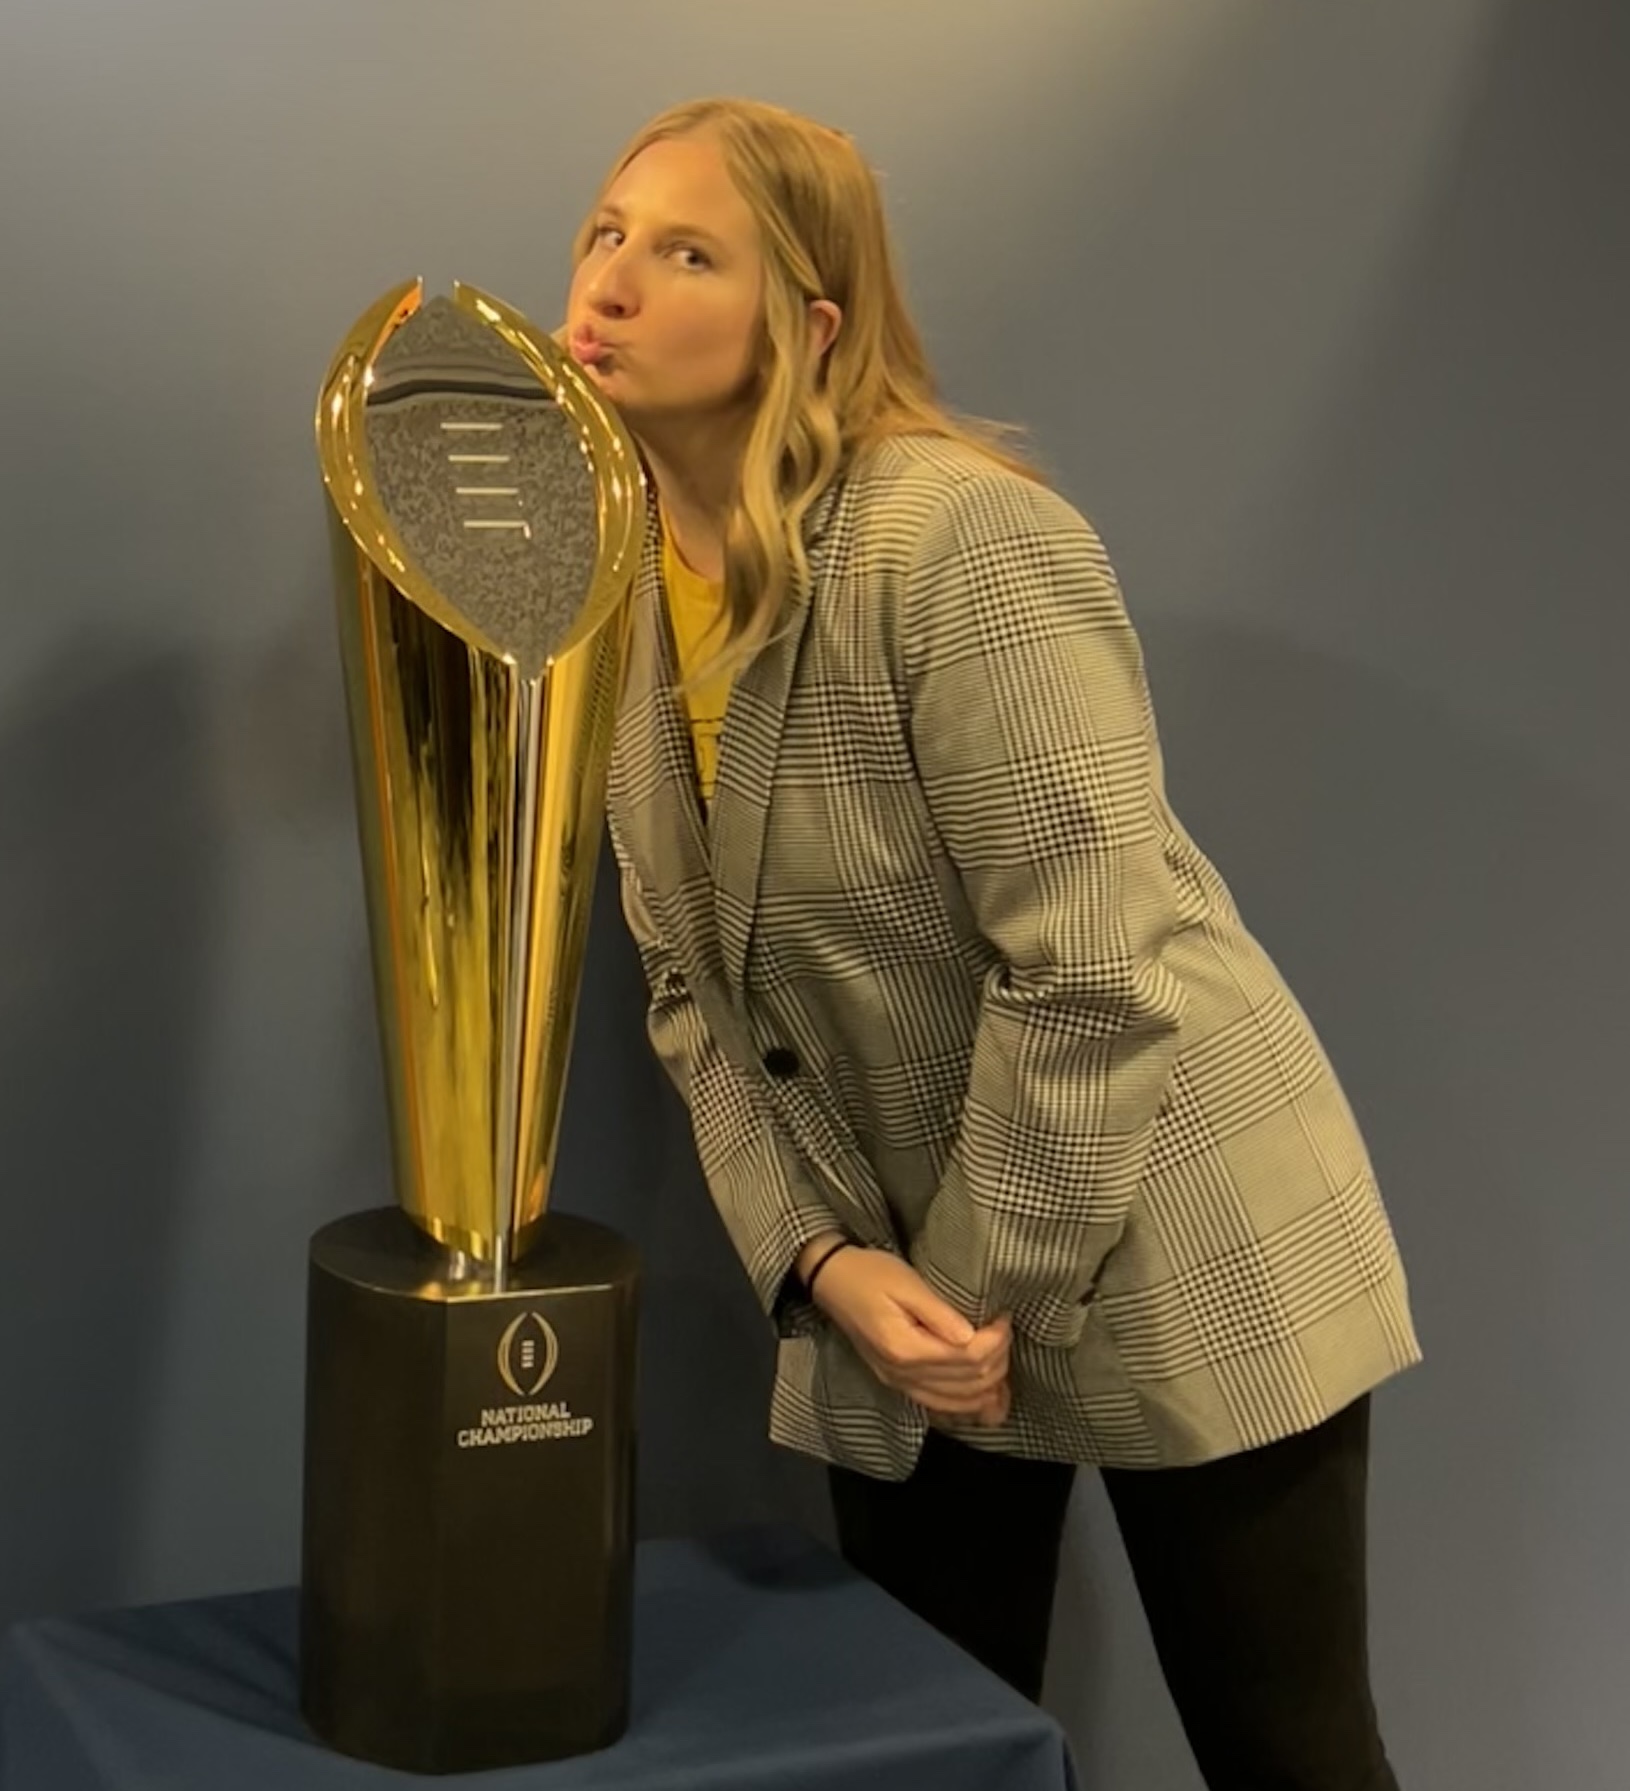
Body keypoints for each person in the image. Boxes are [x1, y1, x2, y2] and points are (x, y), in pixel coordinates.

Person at [564, 95, 1419, 1791]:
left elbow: (1095, 967)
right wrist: (820, 1268)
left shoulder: (956, 541)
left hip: (1175, 1232)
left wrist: (954, 1293)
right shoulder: (625, 599)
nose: (612, 281)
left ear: (807, 325)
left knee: (1288, 1753)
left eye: (685, 252)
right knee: (927, 1754)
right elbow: (688, 999)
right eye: (603, 232)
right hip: (896, 1286)